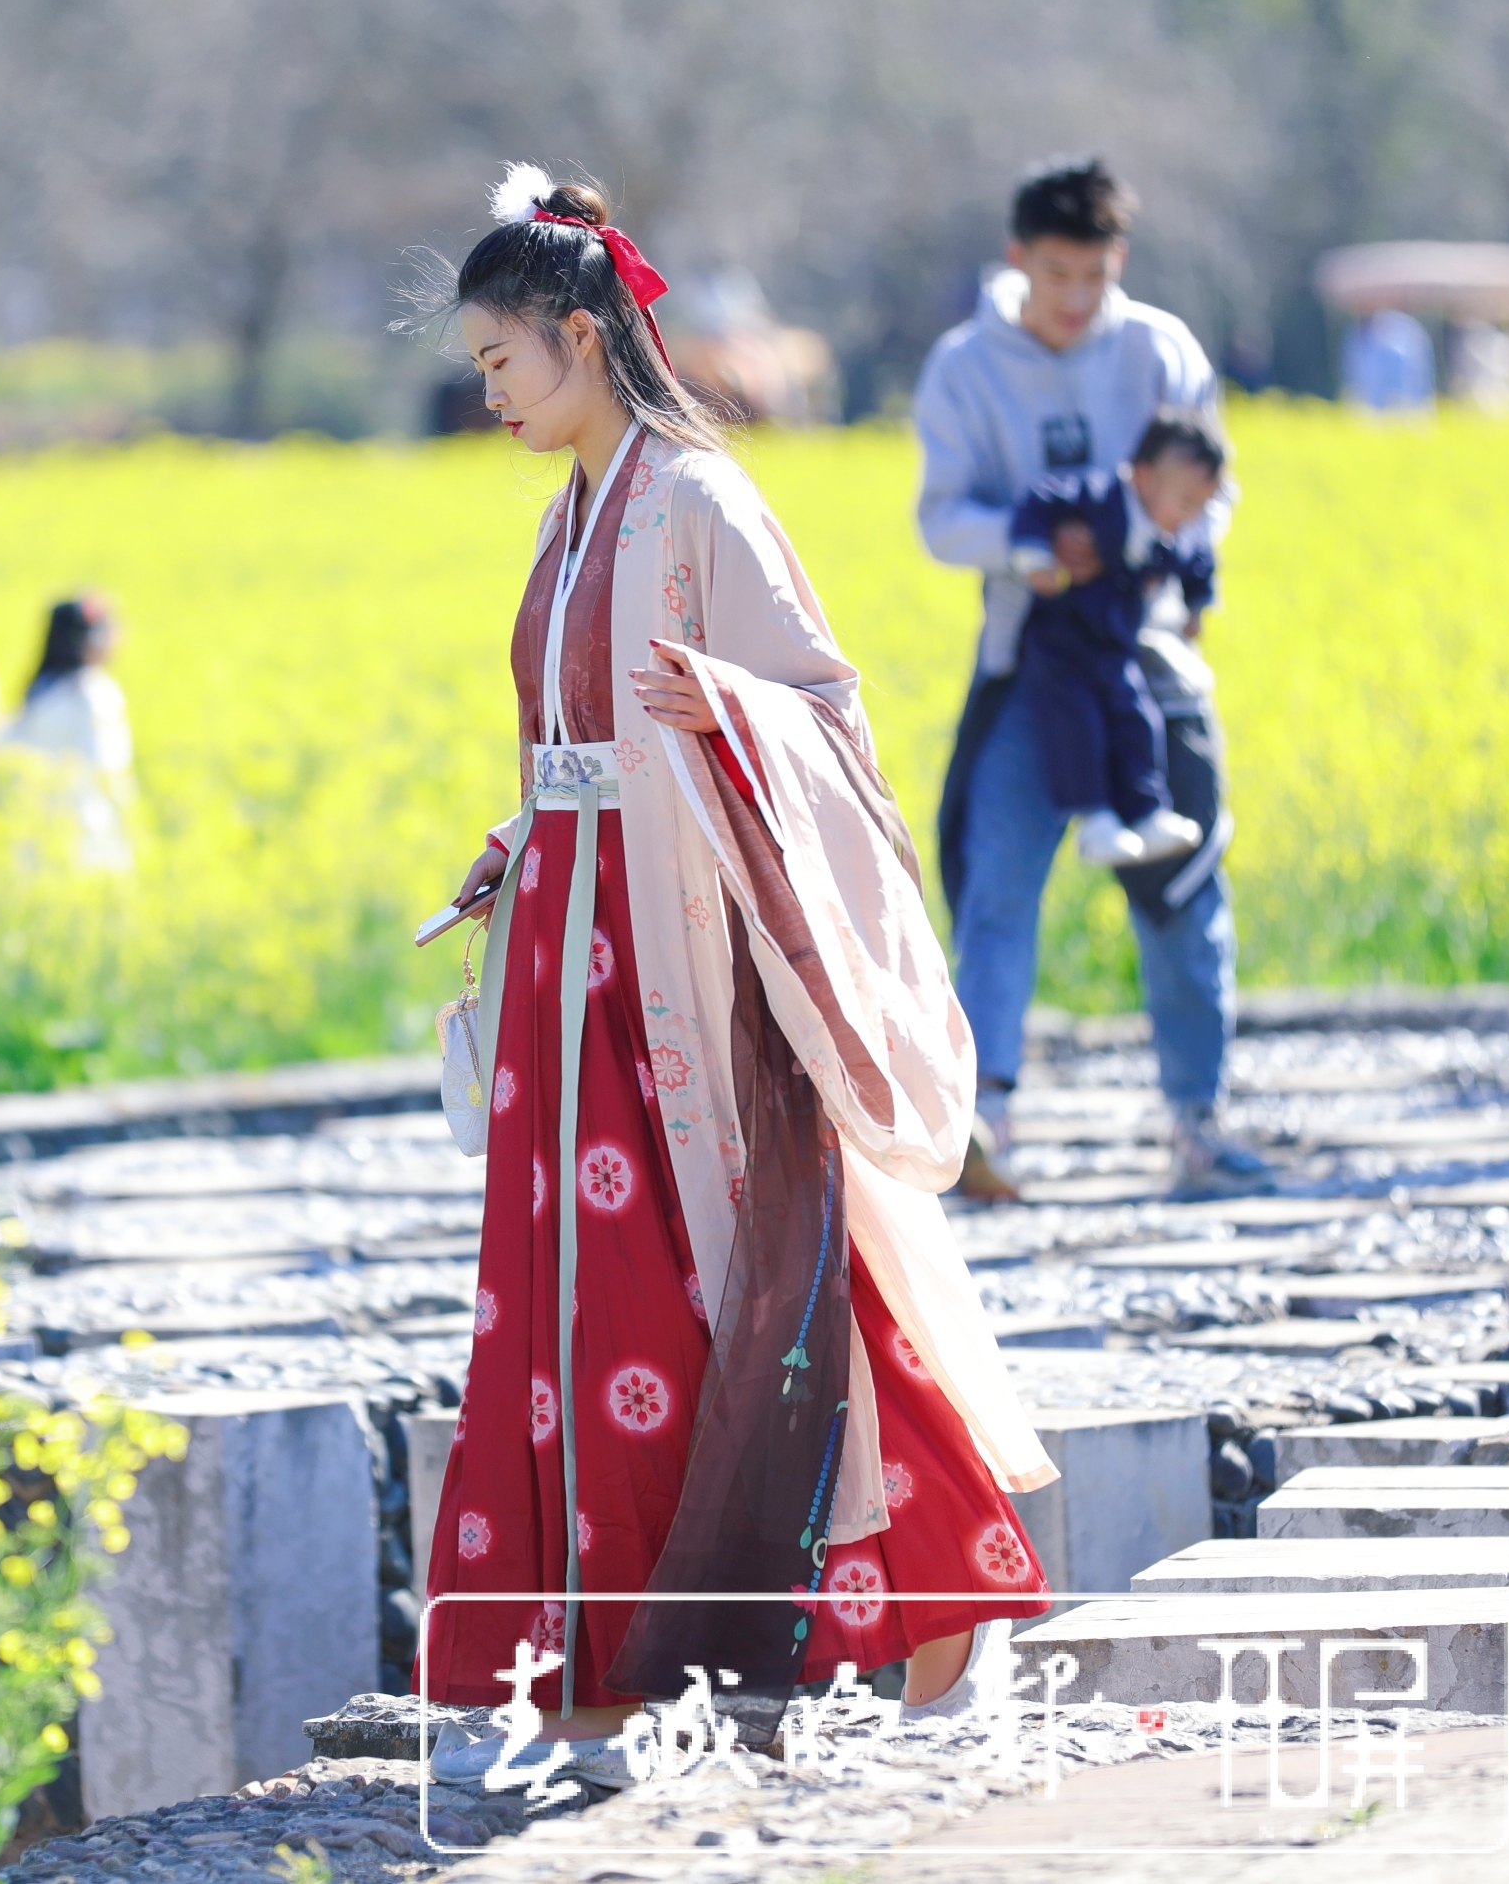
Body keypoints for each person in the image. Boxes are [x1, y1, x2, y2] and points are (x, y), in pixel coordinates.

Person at [417, 167, 1055, 1789]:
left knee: (760, 1281)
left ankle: (928, 1617)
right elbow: (584, 736)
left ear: (579, 335)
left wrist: (730, 710)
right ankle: (613, 1672)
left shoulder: (698, 497)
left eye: (501, 362)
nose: (485, 392)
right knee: (587, 1299)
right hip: (579, 958)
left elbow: (822, 714)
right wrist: (522, 834)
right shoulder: (573, 508)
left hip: (690, 960)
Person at [914, 157, 1272, 1201]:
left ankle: (1199, 1121)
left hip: (1152, 662)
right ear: (1020, 258)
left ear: (1119, 263)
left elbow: (1216, 488)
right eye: (1058, 273)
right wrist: (1035, 551)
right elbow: (943, 518)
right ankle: (983, 1121)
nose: (1076, 299)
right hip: (1028, 659)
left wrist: (1155, 549)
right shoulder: (963, 367)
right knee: (994, 887)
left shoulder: (1161, 349)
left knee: (1183, 888)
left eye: (1096, 276)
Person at [1004, 409, 1227, 867]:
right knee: (1077, 726)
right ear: (1143, 478)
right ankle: (1096, 821)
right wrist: (1035, 556)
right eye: (1185, 503)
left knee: (1138, 719)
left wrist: (1197, 604)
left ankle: (1147, 812)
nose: (1190, 518)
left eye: (1199, 507)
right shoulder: (1098, 496)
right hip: (1060, 645)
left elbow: (1198, 561)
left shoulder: (1171, 534)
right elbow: (1038, 501)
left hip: (1113, 646)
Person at [0, 591, 135, 870]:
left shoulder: (38, 691)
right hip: (91, 840)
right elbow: (110, 770)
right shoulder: (95, 694)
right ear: (92, 641)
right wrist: (133, 826)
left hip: (35, 841)